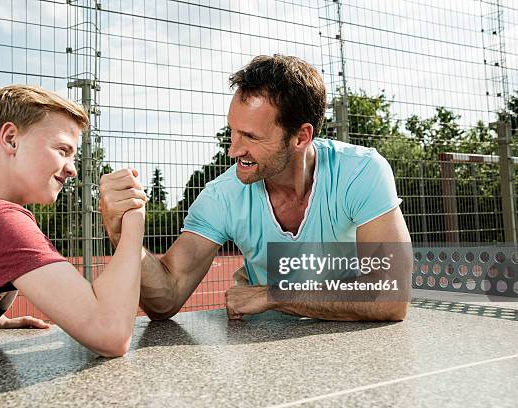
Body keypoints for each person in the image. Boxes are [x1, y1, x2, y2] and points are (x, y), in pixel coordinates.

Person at [102, 55, 412, 321]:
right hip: (266, 345)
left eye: (251, 137)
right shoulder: (222, 195)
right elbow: (167, 298)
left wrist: (276, 295)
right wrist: (122, 235)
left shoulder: (361, 172)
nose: (233, 150)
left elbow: (391, 297)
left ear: (302, 137)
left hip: (354, 343)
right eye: (232, 132)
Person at [0, 85, 146, 357]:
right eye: (62, 150)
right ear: (10, 139)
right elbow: (110, 333)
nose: (72, 168)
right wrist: (133, 219)